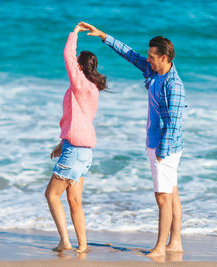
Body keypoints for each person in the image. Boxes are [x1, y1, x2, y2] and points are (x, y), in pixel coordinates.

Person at [80, 21, 185, 257]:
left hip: (164, 147)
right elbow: (130, 54)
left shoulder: (174, 85)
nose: (147, 59)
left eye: (152, 56)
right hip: (159, 143)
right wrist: (103, 36)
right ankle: (175, 242)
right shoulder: (154, 72)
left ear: (165, 58)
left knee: (162, 198)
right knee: (172, 192)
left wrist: (161, 152)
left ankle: (160, 247)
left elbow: (175, 123)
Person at [44, 22, 107, 253]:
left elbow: (66, 54)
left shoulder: (79, 83)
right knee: (74, 201)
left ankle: (65, 241)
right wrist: (63, 142)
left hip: (76, 150)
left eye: (76, 62)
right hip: (84, 150)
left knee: (51, 195)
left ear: (80, 66)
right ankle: (82, 246)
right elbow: (79, 118)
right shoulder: (92, 88)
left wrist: (75, 32)